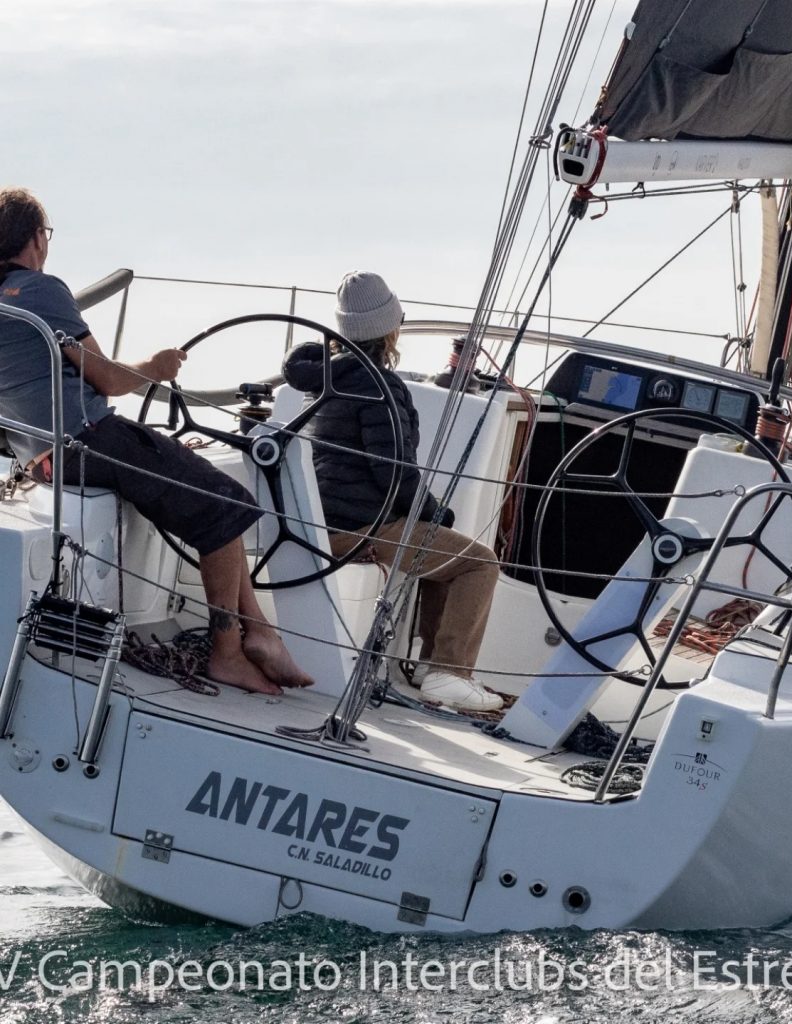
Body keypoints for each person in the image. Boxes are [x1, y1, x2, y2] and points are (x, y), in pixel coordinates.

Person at [0, 187, 312, 696]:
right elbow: (109, 379)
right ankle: (227, 653)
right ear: (36, 237)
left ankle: (260, 632)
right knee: (227, 502)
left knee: (210, 494)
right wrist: (158, 369)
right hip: (90, 440)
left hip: (43, 460)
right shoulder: (39, 290)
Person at [282, 270, 502, 712]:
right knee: (478, 563)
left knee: (442, 545)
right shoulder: (378, 384)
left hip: (324, 518)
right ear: (390, 327)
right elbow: (394, 472)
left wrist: (431, 518)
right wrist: (437, 514)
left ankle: (429, 668)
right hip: (360, 526)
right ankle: (448, 674)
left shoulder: (328, 376)